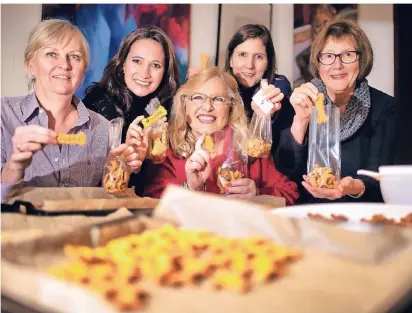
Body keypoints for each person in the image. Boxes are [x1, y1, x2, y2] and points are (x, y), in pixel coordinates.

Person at [1, 19, 141, 200]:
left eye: (74, 56)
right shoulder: (3, 114)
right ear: (30, 64)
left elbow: (109, 199)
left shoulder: (103, 129)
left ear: (83, 71)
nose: (65, 65)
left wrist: (123, 167)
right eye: (52, 54)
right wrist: (15, 165)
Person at [143, 67, 299, 205]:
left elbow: (290, 194)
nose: (207, 107)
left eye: (218, 99)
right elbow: (149, 201)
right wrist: (190, 187)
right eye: (197, 97)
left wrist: (257, 194)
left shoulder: (249, 146)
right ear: (184, 105)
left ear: (231, 107)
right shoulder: (167, 148)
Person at [284, 20, 397, 203]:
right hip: (307, 218)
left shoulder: (385, 108)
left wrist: (351, 187)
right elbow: (285, 174)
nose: (337, 65)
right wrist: (300, 121)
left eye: (348, 55)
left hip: (360, 218)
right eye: (328, 56)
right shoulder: (302, 102)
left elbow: (381, 180)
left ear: (362, 60)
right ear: (318, 63)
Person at [187, 24, 295, 179]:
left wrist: (267, 111)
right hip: (217, 173)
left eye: (259, 57)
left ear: (268, 63)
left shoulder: (277, 87)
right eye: (242, 54)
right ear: (230, 59)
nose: (249, 65)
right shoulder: (220, 89)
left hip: (268, 177)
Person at [82, 26, 180, 195]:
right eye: (137, 61)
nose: (145, 73)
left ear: (164, 73)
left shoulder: (169, 111)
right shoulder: (97, 103)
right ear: (123, 64)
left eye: (155, 65)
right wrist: (125, 156)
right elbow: (81, 174)